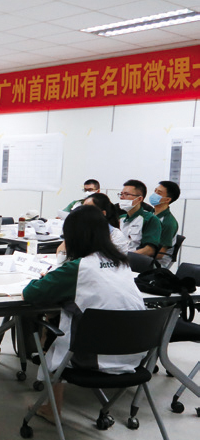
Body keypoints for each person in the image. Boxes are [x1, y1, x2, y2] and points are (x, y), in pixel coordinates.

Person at [23, 205, 145, 422]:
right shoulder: (122, 262)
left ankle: (52, 410)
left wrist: (43, 279)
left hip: (91, 357)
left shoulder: (78, 267)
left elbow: (31, 293)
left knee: (53, 335)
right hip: (134, 354)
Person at [56, 192, 129, 259]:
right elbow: (61, 256)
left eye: (88, 209)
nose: (82, 212)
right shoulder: (83, 230)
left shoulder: (116, 236)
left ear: (102, 213)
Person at [117, 179, 162, 257]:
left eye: (126, 194)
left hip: (134, 260)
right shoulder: (121, 219)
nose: (121, 197)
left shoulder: (150, 219)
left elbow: (149, 250)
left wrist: (124, 257)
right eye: (121, 194)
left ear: (139, 199)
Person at [150, 181, 180, 268]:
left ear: (167, 199)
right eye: (155, 191)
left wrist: (136, 255)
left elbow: (160, 254)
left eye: (159, 193)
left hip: (157, 264)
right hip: (142, 256)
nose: (154, 194)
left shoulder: (168, 222)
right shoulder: (149, 213)